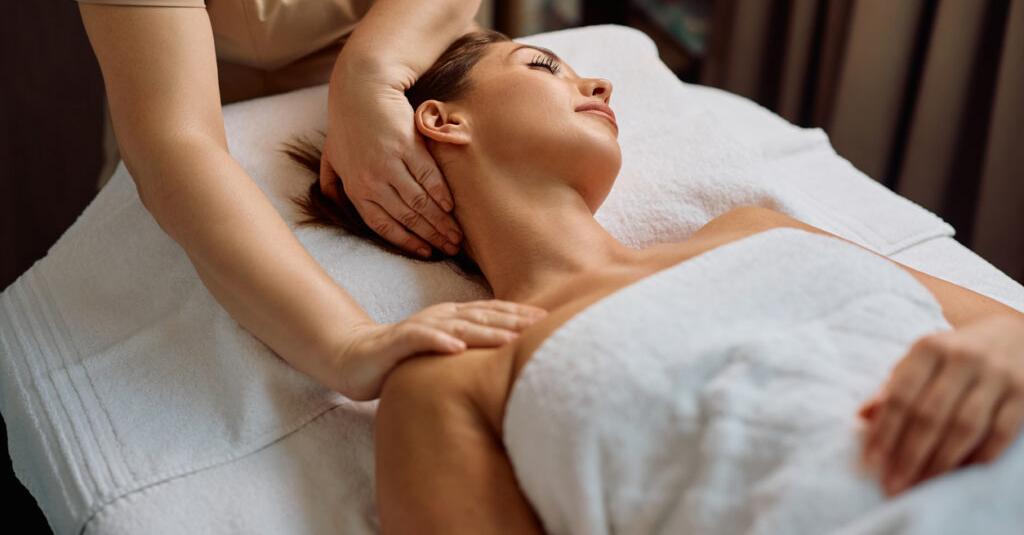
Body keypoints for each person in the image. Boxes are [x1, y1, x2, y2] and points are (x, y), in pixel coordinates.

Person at [285, 29, 1024, 533]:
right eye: (545, 67)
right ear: (443, 121)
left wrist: (1006, 351)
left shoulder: (755, 229)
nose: (599, 81)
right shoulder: (454, 378)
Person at [40, 0, 543, 401]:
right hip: (219, 120)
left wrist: (372, 68)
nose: (598, 90)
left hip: (417, 46)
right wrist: (347, 346)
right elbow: (173, 140)